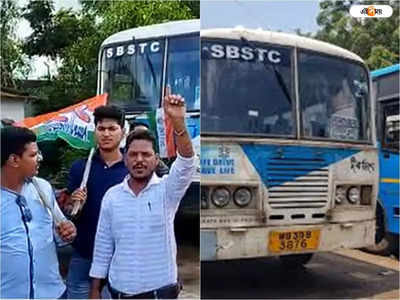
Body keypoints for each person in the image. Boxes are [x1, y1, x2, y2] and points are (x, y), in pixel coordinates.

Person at [89, 92, 195, 299]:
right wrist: (95, 290)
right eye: (133, 155)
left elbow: (186, 164)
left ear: (156, 159)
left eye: (146, 155)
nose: (139, 160)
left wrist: (178, 123)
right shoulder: (112, 196)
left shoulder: (167, 190)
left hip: (161, 293)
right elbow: (103, 246)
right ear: (125, 159)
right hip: (119, 292)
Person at [0, 126, 76, 299]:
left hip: (52, 293)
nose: (40, 158)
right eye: (33, 155)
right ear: (14, 159)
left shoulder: (42, 187)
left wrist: (68, 231)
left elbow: (60, 232)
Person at [65, 105, 128, 299]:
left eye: (112, 129)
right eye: (101, 129)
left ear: (123, 132)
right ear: (95, 132)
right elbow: (68, 213)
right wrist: (74, 204)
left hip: (120, 258)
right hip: (84, 254)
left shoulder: (132, 168)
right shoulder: (80, 168)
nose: (106, 134)